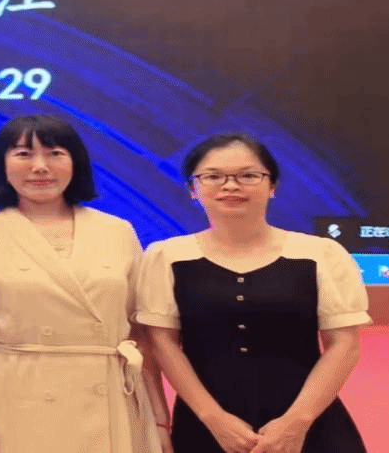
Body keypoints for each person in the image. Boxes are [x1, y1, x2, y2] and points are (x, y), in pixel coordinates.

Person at [0, 115, 169, 453]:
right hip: (18, 400)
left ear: (76, 162)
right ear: (2, 164)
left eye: (55, 154)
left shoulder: (117, 231)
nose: (40, 167)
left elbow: (141, 335)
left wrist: (159, 418)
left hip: (111, 395)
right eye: (23, 154)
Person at [136, 133, 371, 453]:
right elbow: (162, 343)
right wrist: (214, 419)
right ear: (193, 189)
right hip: (206, 428)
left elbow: (344, 344)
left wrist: (296, 422)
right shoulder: (166, 256)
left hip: (311, 424)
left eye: (248, 175)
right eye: (213, 176)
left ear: (272, 186)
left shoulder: (321, 254)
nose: (230, 186)